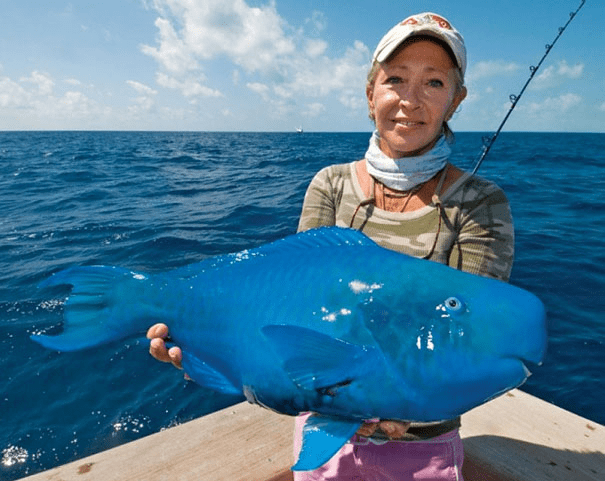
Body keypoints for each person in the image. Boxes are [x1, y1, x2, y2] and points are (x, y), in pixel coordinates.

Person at [147, 12, 514, 481]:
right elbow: (290, 306)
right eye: (395, 79)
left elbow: (473, 337)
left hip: (424, 446)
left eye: (434, 82)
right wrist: (207, 346)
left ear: (455, 100)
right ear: (370, 94)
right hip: (325, 433)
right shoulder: (331, 185)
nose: (409, 99)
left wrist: (402, 406)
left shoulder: (482, 203)